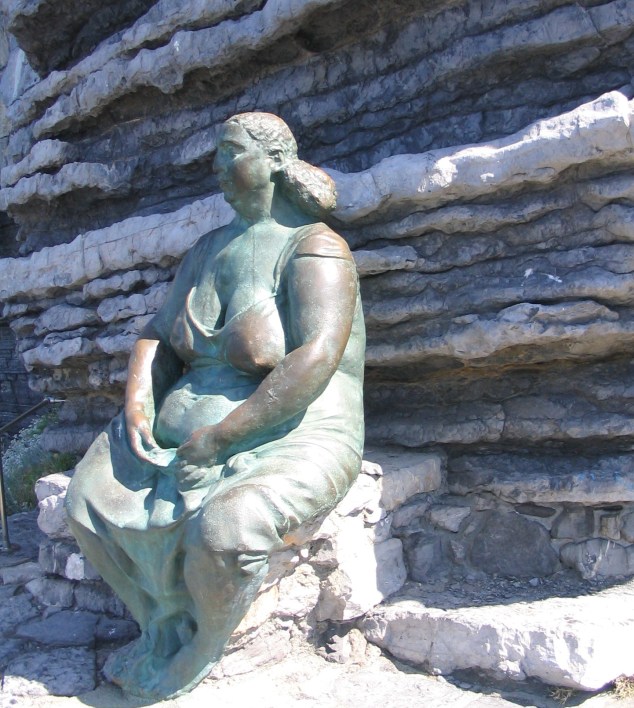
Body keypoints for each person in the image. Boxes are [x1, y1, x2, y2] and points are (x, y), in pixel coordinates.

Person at [65, 112, 365, 699]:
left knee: (228, 528)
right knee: (85, 499)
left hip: (293, 433)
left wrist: (222, 437)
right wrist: (138, 405)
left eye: (232, 152)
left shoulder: (315, 247)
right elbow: (156, 335)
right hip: (180, 437)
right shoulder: (207, 249)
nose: (218, 167)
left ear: (275, 161)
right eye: (217, 154)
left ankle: (201, 646)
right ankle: (162, 627)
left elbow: (316, 355)